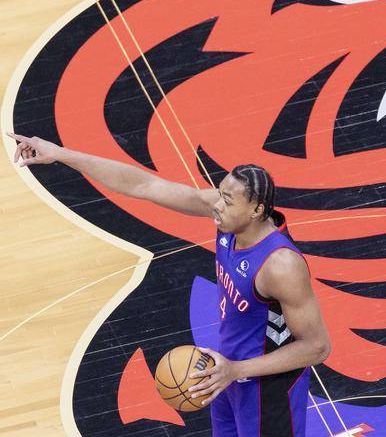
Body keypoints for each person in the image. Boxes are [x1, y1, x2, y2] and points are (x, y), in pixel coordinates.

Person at [7, 132, 331, 437]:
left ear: (257, 210)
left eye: (228, 201)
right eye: (220, 194)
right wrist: (61, 154)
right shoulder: (228, 219)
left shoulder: (281, 265)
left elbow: (317, 347)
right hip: (225, 371)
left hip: (266, 389)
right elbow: (144, 185)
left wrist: (237, 369)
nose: (217, 205)